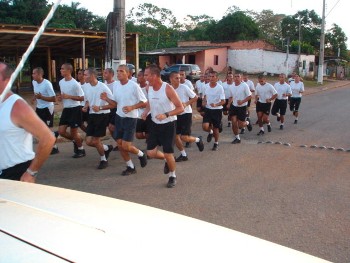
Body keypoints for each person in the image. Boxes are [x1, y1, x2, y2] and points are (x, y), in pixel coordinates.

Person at [0, 62, 55, 182]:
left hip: (14, 173)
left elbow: (48, 138)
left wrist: (31, 172)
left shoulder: (17, 107)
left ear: (7, 80)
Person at [142, 65, 184, 188]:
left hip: (168, 125)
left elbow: (180, 108)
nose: (145, 77)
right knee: (150, 153)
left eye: (146, 75)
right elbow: (150, 101)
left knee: (168, 152)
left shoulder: (168, 89)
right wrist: (146, 111)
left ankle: (172, 176)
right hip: (155, 124)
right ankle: (167, 160)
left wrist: (166, 114)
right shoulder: (149, 88)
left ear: (154, 76)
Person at [103, 64, 148, 176]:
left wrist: (132, 107)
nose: (118, 73)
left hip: (130, 119)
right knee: (120, 144)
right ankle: (130, 166)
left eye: (121, 71)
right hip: (119, 117)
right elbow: (115, 104)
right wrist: (106, 99)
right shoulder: (116, 85)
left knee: (126, 146)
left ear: (128, 73)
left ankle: (141, 154)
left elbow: (144, 102)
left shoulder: (134, 86)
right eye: (117, 71)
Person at [82, 68, 115, 169]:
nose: (84, 76)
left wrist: (100, 107)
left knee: (96, 140)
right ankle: (106, 148)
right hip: (92, 115)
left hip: (102, 115)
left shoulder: (103, 87)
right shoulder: (86, 87)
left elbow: (113, 104)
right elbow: (87, 100)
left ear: (92, 76)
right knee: (88, 141)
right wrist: (86, 106)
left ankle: (103, 160)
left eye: (85, 75)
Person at [169, 71, 204, 162]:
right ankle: (183, 155)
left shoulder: (184, 87)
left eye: (180, 78)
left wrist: (186, 103)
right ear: (171, 79)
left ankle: (197, 140)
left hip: (186, 114)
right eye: (176, 78)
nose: (179, 80)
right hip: (176, 115)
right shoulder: (169, 89)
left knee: (184, 137)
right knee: (175, 137)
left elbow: (195, 97)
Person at [57, 63, 86, 158]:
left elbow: (82, 98)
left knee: (73, 132)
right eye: (61, 69)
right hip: (66, 109)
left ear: (69, 71)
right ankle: (77, 140)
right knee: (61, 131)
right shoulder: (61, 82)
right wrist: (61, 97)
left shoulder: (75, 84)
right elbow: (63, 95)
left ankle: (81, 149)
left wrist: (69, 96)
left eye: (62, 69)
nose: (60, 70)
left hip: (75, 109)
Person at [31, 67, 59, 154]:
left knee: (46, 129)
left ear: (40, 74)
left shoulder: (47, 84)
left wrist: (41, 97)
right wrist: (34, 98)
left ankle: (53, 144)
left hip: (47, 108)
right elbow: (36, 93)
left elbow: (54, 99)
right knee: (39, 128)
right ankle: (54, 145)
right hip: (39, 108)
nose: (32, 75)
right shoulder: (34, 82)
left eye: (34, 73)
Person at [202, 71, 225, 151]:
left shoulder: (220, 88)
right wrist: (204, 101)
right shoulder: (205, 86)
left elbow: (223, 101)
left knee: (216, 128)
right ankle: (210, 131)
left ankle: (216, 143)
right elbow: (204, 96)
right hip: (208, 109)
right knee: (205, 127)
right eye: (210, 76)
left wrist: (216, 105)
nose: (211, 78)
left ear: (217, 78)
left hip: (217, 110)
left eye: (213, 77)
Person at [227, 73, 252, 144]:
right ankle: (237, 138)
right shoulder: (231, 86)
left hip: (242, 107)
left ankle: (247, 123)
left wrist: (242, 101)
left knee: (240, 125)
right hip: (234, 106)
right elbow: (231, 96)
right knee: (233, 122)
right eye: (235, 76)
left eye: (238, 76)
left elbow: (250, 96)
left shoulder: (244, 86)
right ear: (233, 78)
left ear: (241, 78)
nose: (236, 78)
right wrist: (229, 103)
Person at [103, 68, 118, 151]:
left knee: (112, 127)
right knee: (110, 128)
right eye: (104, 73)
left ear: (111, 75)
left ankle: (121, 142)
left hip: (115, 108)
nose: (104, 74)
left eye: (106, 73)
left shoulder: (116, 84)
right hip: (107, 108)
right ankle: (119, 142)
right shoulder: (103, 84)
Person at [135, 70, 150, 141]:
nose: (138, 77)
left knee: (148, 135)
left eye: (140, 75)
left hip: (149, 114)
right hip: (139, 115)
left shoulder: (148, 88)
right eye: (137, 75)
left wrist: (144, 105)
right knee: (138, 135)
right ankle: (154, 138)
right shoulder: (136, 87)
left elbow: (152, 101)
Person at [77, 68, 89, 133]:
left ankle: (91, 134)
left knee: (89, 122)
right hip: (79, 106)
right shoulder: (77, 84)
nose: (78, 75)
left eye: (80, 74)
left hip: (87, 106)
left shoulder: (88, 85)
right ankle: (88, 133)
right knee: (80, 123)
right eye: (78, 74)